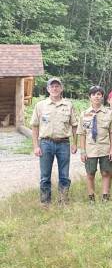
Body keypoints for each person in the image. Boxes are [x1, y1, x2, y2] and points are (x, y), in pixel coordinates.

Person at [30, 77, 78, 206]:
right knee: (45, 176)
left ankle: (63, 201)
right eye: (52, 86)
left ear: (61, 89)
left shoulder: (68, 105)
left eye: (57, 86)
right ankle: (45, 202)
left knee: (64, 175)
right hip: (46, 143)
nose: (55, 88)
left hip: (64, 143)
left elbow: (74, 125)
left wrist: (75, 143)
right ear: (48, 89)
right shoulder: (40, 106)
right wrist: (36, 146)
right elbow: (34, 126)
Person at [78, 86, 112, 202]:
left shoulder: (109, 113)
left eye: (99, 94)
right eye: (94, 94)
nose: (96, 96)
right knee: (90, 174)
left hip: (105, 148)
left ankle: (105, 196)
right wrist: (83, 151)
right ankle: (91, 197)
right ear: (90, 97)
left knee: (106, 173)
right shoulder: (84, 114)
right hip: (90, 150)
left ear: (102, 97)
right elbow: (82, 134)